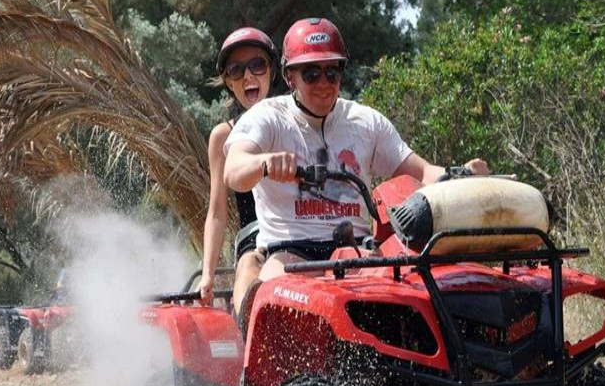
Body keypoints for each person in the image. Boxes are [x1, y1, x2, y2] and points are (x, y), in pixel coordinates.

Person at [224, 17, 488, 280]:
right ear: (290, 77)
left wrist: (460, 175)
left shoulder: (366, 121)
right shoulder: (267, 116)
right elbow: (234, 171)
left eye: (332, 72)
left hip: (357, 250)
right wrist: (265, 163)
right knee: (277, 291)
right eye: (311, 74)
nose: (324, 83)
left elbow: (422, 172)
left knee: (413, 289)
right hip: (291, 251)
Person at [199, 27, 277, 310]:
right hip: (255, 241)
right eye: (236, 70)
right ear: (230, 83)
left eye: (257, 65)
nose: (248, 76)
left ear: (271, 71)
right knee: (248, 276)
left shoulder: (296, 122)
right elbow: (217, 212)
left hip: (300, 234)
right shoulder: (223, 136)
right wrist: (207, 273)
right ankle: (253, 344)